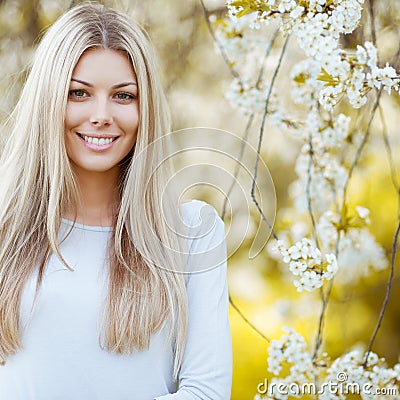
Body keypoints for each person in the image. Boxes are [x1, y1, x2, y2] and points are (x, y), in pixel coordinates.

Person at [0, 2, 232, 399]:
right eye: (79, 93)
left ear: (146, 109)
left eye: (123, 96)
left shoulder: (192, 232)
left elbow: (206, 392)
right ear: (47, 100)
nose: (102, 115)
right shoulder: (5, 225)